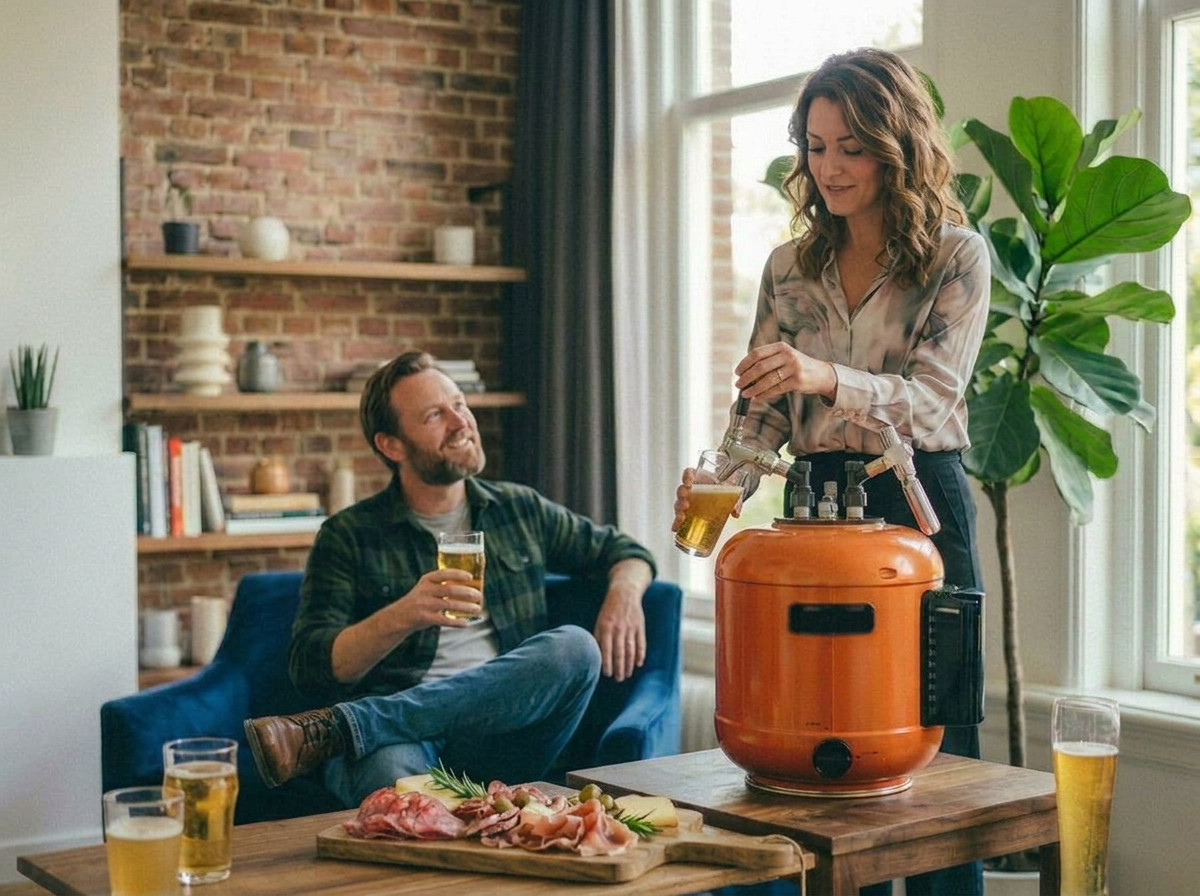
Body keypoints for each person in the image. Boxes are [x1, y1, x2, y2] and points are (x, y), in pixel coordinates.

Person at [673, 48, 989, 896]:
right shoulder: (789, 269)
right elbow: (762, 415)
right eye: (815, 147)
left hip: (918, 503)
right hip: (814, 515)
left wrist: (824, 376)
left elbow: (930, 404)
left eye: (851, 145)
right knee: (824, 740)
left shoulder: (957, 258)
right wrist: (721, 488)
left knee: (937, 741)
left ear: (895, 144)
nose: (831, 167)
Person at [245, 350, 656, 808]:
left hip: (503, 735)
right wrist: (402, 615)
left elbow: (625, 551)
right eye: (434, 415)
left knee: (575, 648)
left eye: (459, 404)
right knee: (394, 785)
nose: (460, 422)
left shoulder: (519, 509)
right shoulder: (349, 535)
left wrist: (623, 593)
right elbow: (312, 666)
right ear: (392, 445)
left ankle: (345, 726)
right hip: (400, 744)